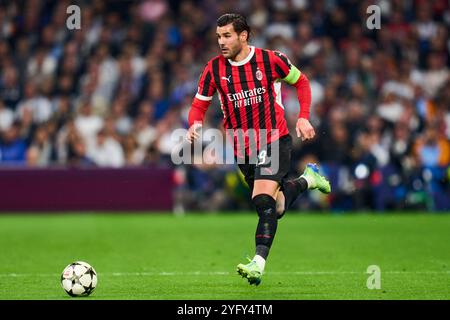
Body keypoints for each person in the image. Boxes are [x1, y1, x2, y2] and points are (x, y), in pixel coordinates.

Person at [186, 13, 331, 285]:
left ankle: (258, 263)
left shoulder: (271, 59)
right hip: (242, 149)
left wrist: (303, 116)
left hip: (274, 139)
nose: (221, 41)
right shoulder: (214, 69)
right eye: (218, 36)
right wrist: (194, 123)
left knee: (262, 201)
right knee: (275, 207)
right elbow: (199, 103)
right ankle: (307, 180)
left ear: (244, 35)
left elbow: (302, 81)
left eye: (227, 35)